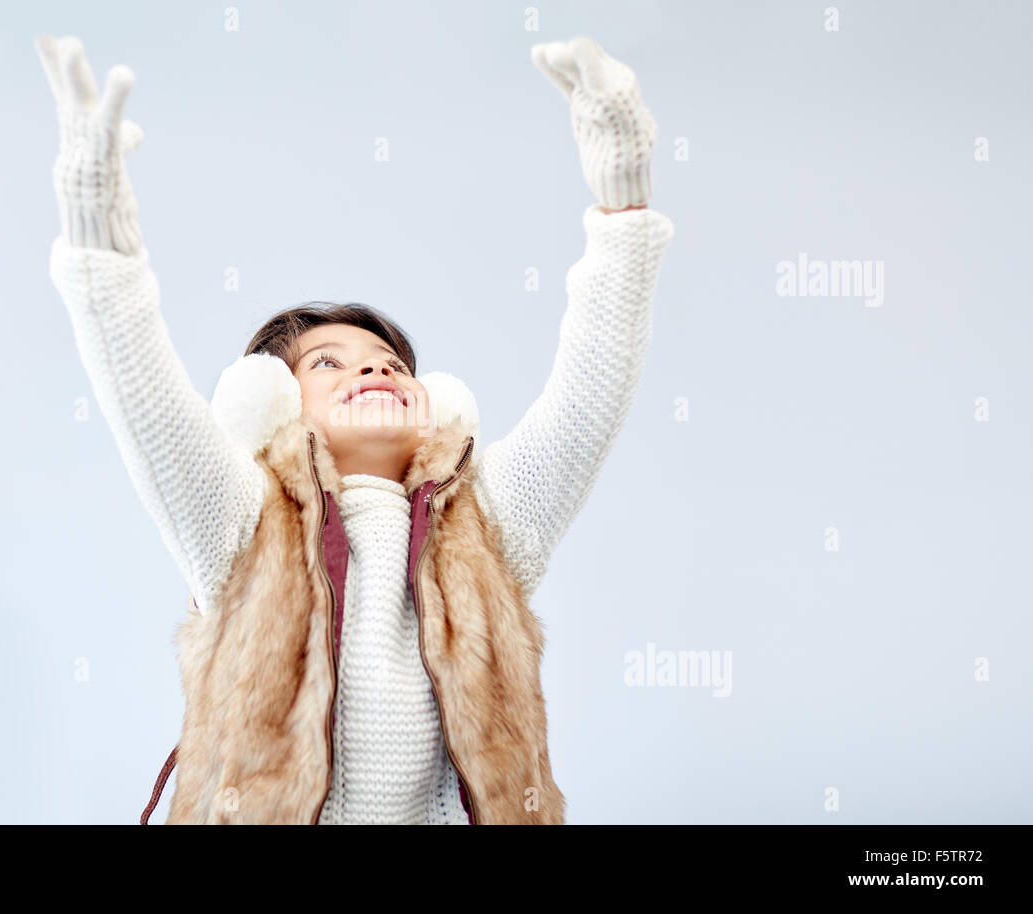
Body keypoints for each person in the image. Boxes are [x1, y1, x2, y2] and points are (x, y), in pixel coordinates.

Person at [36, 32, 674, 824]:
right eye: (328, 365)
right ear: (272, 403)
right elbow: (144, 403)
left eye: (389, 362)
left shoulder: (488, 520)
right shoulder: (242, 521)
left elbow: (591, 393)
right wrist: (101, 249)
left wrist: (625, 209)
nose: (374, 371)